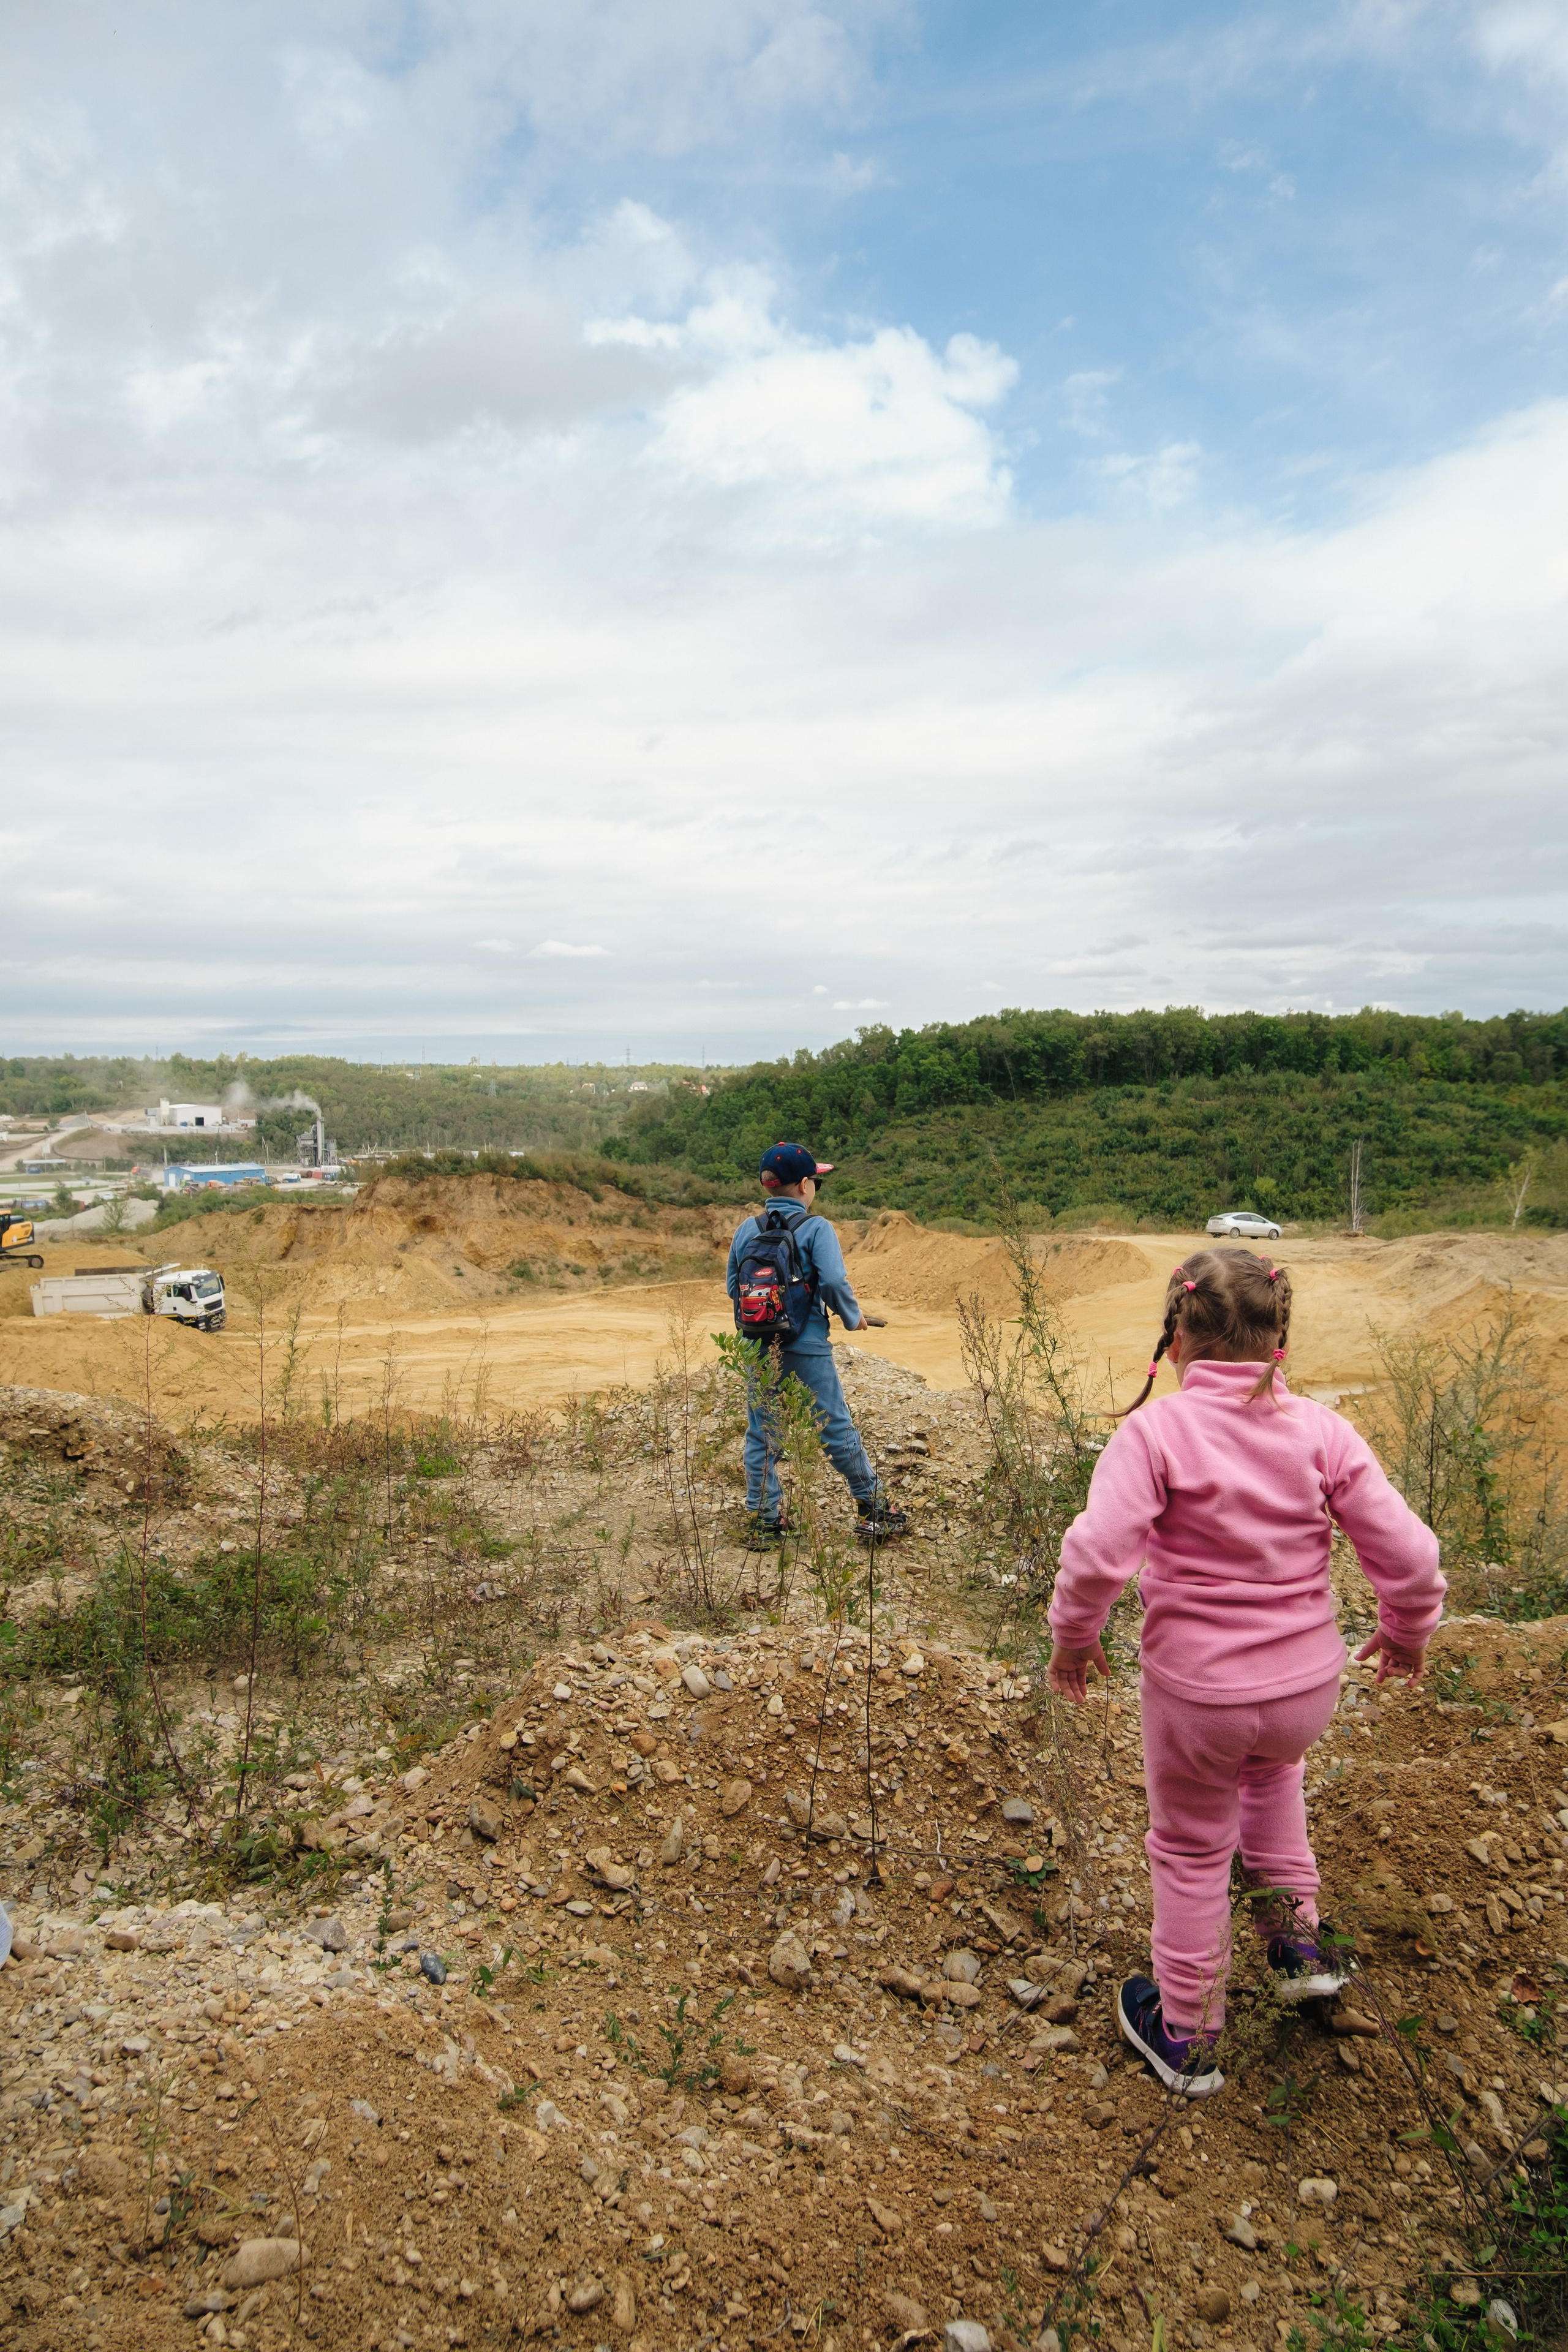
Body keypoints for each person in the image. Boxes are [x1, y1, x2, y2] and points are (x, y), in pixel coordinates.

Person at [1046, 1248, 1444, 2097]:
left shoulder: (1155, 1432)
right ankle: (1300, 1951)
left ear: (1176, 1341)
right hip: (1304, 1691)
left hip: (1199, 1696)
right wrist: (1406, 1631)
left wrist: (1073, 1639)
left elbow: (1096, 1555)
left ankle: (1187, 2035)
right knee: (1272, 1782)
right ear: (1279, 1342)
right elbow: (1410, 1557)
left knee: (1191, 1851)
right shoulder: (1324, 1431)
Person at [726, 1141, 908, 1543]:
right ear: (805, 1186)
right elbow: (833, 1282)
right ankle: (874, 1508)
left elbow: (733, 1289)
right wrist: (852, 1318)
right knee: (834, 1425)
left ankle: (765, 1520)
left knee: (762, 1433)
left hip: (756, 1346)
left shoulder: (747, 1229)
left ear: (767, 1185)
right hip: (806, 1345)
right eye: (815, 1182)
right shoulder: (816, 1228)